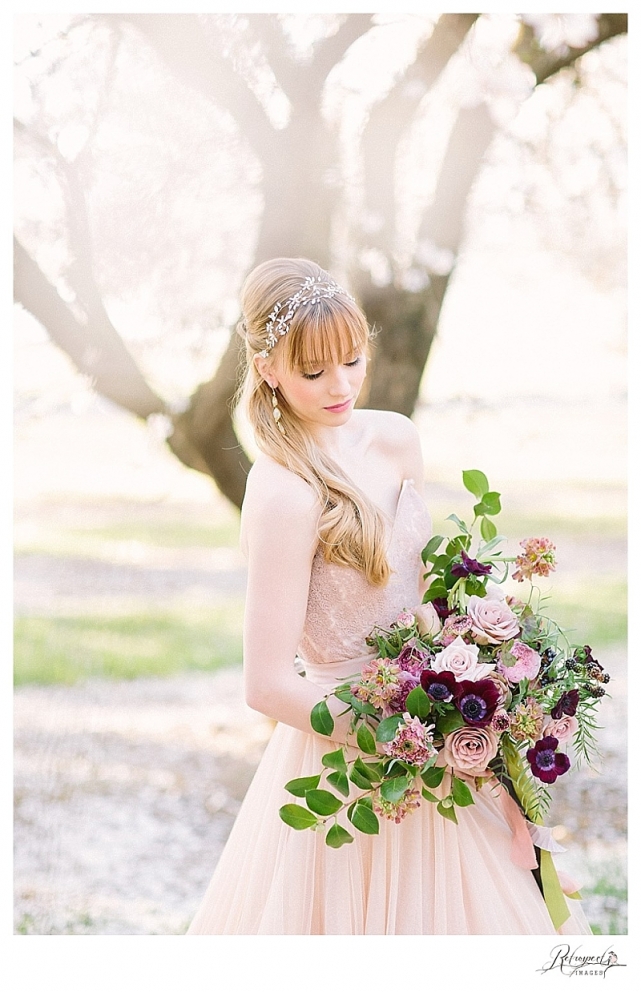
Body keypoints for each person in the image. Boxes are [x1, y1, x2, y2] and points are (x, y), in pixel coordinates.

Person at [185, 257, 591, 935]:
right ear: (267, 369)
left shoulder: (396, 438)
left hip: (441, 724)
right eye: (313, 372)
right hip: (352, 756)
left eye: (351, 360)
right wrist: (408, 742)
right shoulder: (285, 491)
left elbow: (419, 590)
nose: (340, 385)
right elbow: (265, 686)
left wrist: (481, 670)